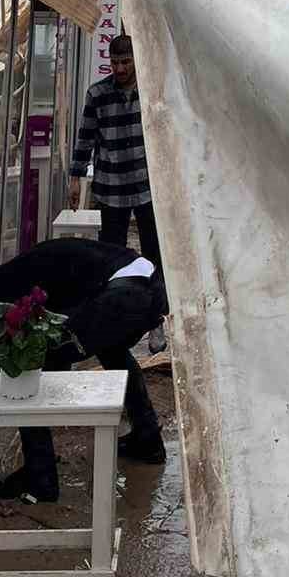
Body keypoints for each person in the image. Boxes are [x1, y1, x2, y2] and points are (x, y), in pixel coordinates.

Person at [0, 235, 167, 502]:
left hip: (123, 295)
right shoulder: (30, 265)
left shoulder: (11, 285)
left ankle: (39, 477)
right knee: (110, 347)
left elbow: (18, 349)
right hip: (148, 286)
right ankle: (147, 441)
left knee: (29, 368)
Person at [70, 33, 167, 351]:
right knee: (110, 257)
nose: (120, 68)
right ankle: (110, 322)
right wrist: (75, 176)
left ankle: (156, 321)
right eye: (115, 63)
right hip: (111, 187)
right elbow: (85, 137)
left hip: (145, 186)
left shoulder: (151, 90)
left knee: (153, 256)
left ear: (136, 60)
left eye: (126, 62)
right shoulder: (97, 94)